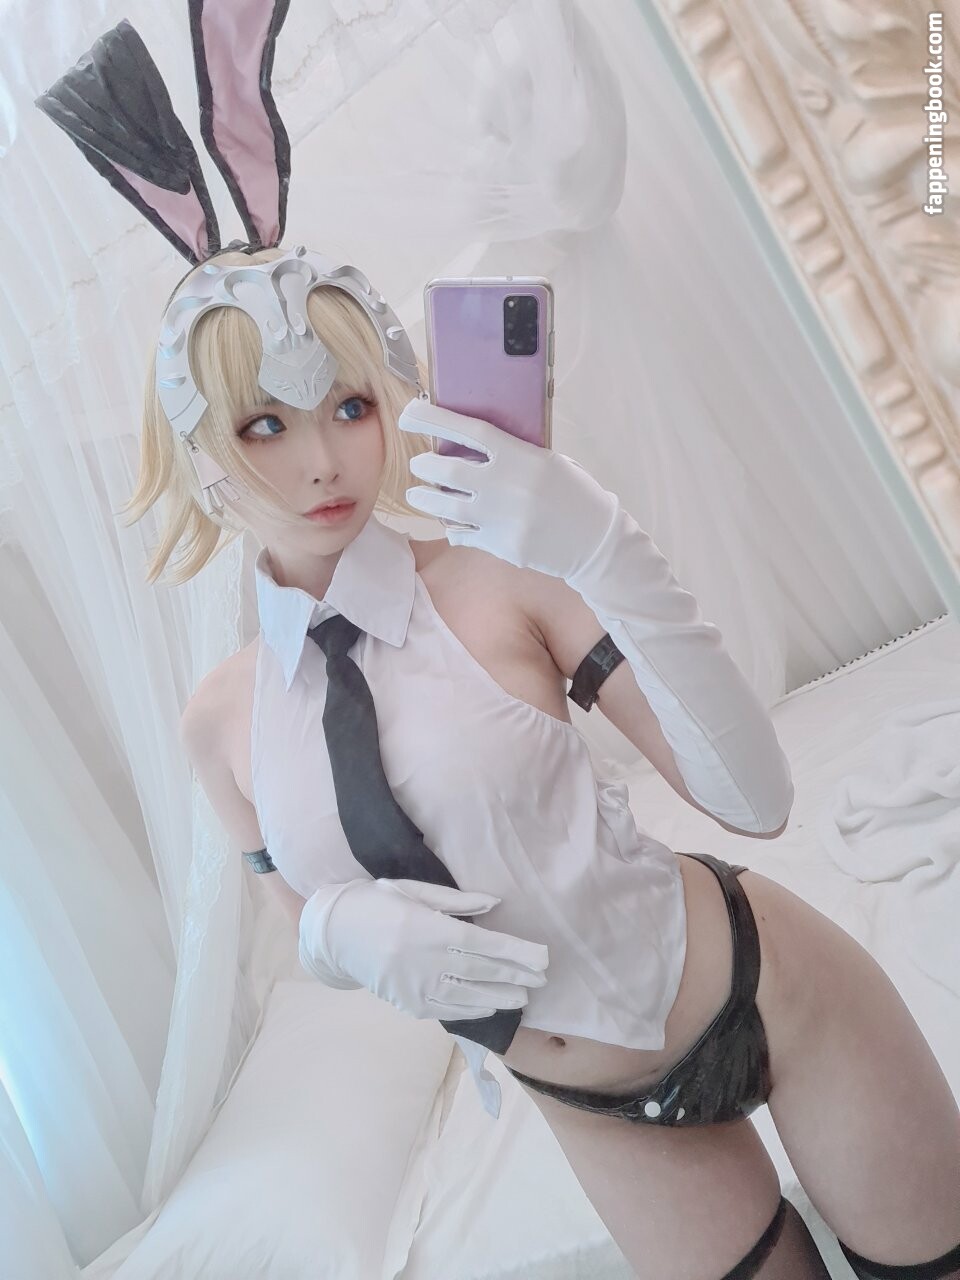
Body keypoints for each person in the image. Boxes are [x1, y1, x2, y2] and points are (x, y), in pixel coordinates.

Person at [40, 12, 960, 1280]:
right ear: (197, 458)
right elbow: (296, 908)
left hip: (762, 984)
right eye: (262, 425)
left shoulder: (496, 579)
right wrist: (336, 932)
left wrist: (603, 547)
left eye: (349, 404)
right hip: (591, 1107)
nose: (323, 460)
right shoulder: (223, 720)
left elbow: (757, 798)